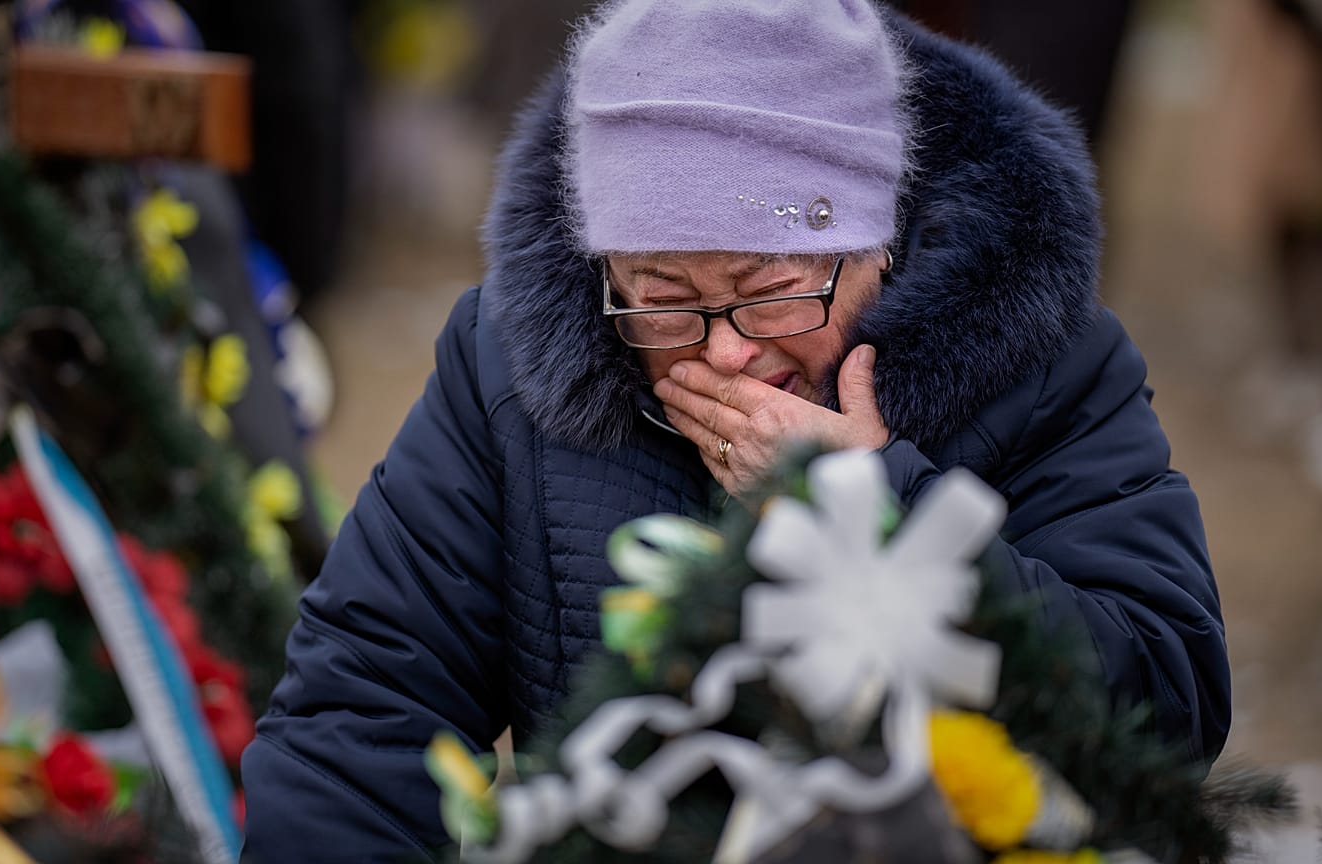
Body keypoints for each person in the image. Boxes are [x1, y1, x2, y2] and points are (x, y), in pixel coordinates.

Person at [240, 1, 1232, 860]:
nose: (726, 353)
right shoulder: (512, 369)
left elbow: (1164, 711)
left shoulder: (1039, 359)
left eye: (773, 291)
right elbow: (362, 716)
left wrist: (887, 513)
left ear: (879, 246)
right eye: (664, 299)